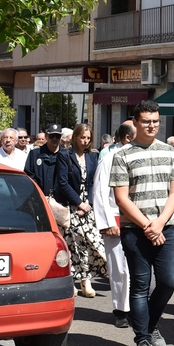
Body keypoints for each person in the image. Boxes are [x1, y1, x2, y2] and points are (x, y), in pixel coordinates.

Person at [109, 100, 174, 346]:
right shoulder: (122, 155)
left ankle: (150, 326)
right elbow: (122, 199)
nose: (152, 125)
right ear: (136, 123)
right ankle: (141, 340)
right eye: (147, 121)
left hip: (167, 227)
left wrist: (160, 223)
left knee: (168, 281)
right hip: (135, 229)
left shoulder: (170, 152)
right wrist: (147, 225)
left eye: (156, 121)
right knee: (140, 286)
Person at [56, 123, 107, 298]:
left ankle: (86, 279)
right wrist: (78, 203)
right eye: (82, 137)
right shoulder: (65, 155)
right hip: (71, 205)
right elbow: (62, 183)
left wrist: (89, 204)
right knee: (72, 244)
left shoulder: (93, 156)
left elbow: (94, 182)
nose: (85, 141)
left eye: (88, 138)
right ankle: (72, 281)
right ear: (75, 137)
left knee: (90, 242)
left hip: (88, 206)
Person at [93, 121, 136, 328]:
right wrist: (107, 222)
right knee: (120, 268)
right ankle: (121, 310)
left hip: (142, 222)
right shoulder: (109, 159)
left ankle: (138, 307)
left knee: (140, 267)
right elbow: (100, 192)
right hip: (117, 220)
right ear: (128, 138)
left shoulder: (143, 157)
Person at [25, 124, 63, 198]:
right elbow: (29, 176)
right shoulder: (35, 154)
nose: (55, 138)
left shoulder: (66, 155)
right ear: (46, 137)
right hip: (39, 197)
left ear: (61, 137)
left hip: (60, 200)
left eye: (57, 136)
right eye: (52, 136)